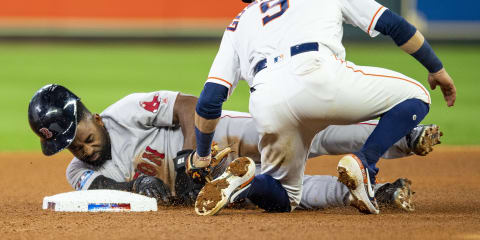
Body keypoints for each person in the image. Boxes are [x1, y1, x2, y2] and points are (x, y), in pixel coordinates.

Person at [190, 0, 456, 215]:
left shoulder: (238, 23)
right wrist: (436, 68)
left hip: (267, 101)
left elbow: (211, 98)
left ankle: (247, 183)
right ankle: (365, 163)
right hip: (319, 74)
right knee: (418, 95)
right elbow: (393, 25)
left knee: (284, 198)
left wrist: (202, 157)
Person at [27, 84, 441, 211]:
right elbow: (96, 193)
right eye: (69, 146)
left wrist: (192, 154)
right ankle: (378, 194)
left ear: (91, 115)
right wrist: (137, 187)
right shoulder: (77, 173)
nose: (80, 148)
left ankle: (404, 137)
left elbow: (188, 106)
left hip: (220, 139)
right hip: (213, 184)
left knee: (307, 138)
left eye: (80, 135)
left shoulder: (125, 111)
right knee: (288, 193)